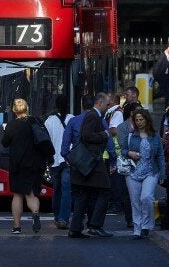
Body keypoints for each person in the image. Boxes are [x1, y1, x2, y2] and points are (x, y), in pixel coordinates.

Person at [65, 93, 114, 238]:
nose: (108, 107)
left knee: (83, 194)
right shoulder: (93, 116)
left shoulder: (92, 115)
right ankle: (95, 225)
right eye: (107, 104)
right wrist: (104, 135)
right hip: (91, 161)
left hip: (84, 163)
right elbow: (87, 135)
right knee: (105, 190)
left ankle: (75, 229)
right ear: (99, 102)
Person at [1, 98, 43, 234]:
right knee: (31, 194)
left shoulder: (12, 125)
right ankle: (35, 213)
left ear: (14, 110)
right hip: (34, 164)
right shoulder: (36, 121)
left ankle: (17, 227)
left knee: (18, 195)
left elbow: (5, 142)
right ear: (27, 108)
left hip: (17, 164)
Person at [122, 108, 166, 239]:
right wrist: (129, 153)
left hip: (151, 171)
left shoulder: (155, 136)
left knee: (146, 197)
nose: (139, 122)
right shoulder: (131, 135)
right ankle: (137, 228)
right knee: (135, 201)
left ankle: (146, 225)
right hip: (133, 171)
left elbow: (160, 156)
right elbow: (123, 150)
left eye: (141, 119)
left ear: (147, 120)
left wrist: (162, 173)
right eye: (137, 120)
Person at [44, 95, 74, 229]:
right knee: (67, 189)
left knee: (57, 189)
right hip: (68, 160)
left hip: (54, 160)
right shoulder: (72, 119)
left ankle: (56, 216)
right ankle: (63, 218)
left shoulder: (49, 121)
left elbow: (46, 141)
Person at [116, 102, 143, 228]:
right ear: (132, 113)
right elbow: (122, 145)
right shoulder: (123, 127)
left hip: (143, 162)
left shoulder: (143, 125)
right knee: (128, 192)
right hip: (129, 162)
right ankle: (130, 219)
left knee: (142, 192)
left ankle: (141, 218)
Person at [153, 43, 169, 107]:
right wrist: (156, 78)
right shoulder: (162, 56)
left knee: (167, 93)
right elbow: (156, 68)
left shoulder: (167, 56)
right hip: (162, 78)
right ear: (168, 48)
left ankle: (167, 107)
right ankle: (152, 98)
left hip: (165, 77)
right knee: (165, 92)